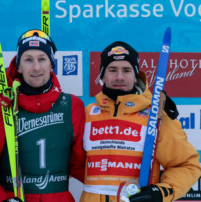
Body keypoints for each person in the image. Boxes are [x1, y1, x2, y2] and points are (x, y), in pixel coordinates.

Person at [80, 41, 201, 202]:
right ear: (102, 75)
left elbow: (187, 165)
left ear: (135, 74)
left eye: (127, 70)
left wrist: (160, 192)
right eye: (112, 70)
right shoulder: (88, 113)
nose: (120, 76)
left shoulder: (155, 115)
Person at [0, 29, 86, 202]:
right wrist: (2, 200)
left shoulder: (73, 106)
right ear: (19, 66)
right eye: (28, 60)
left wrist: (121, 183)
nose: (36, 67)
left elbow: (80, 166)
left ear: (51, 65)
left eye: (42, 59)